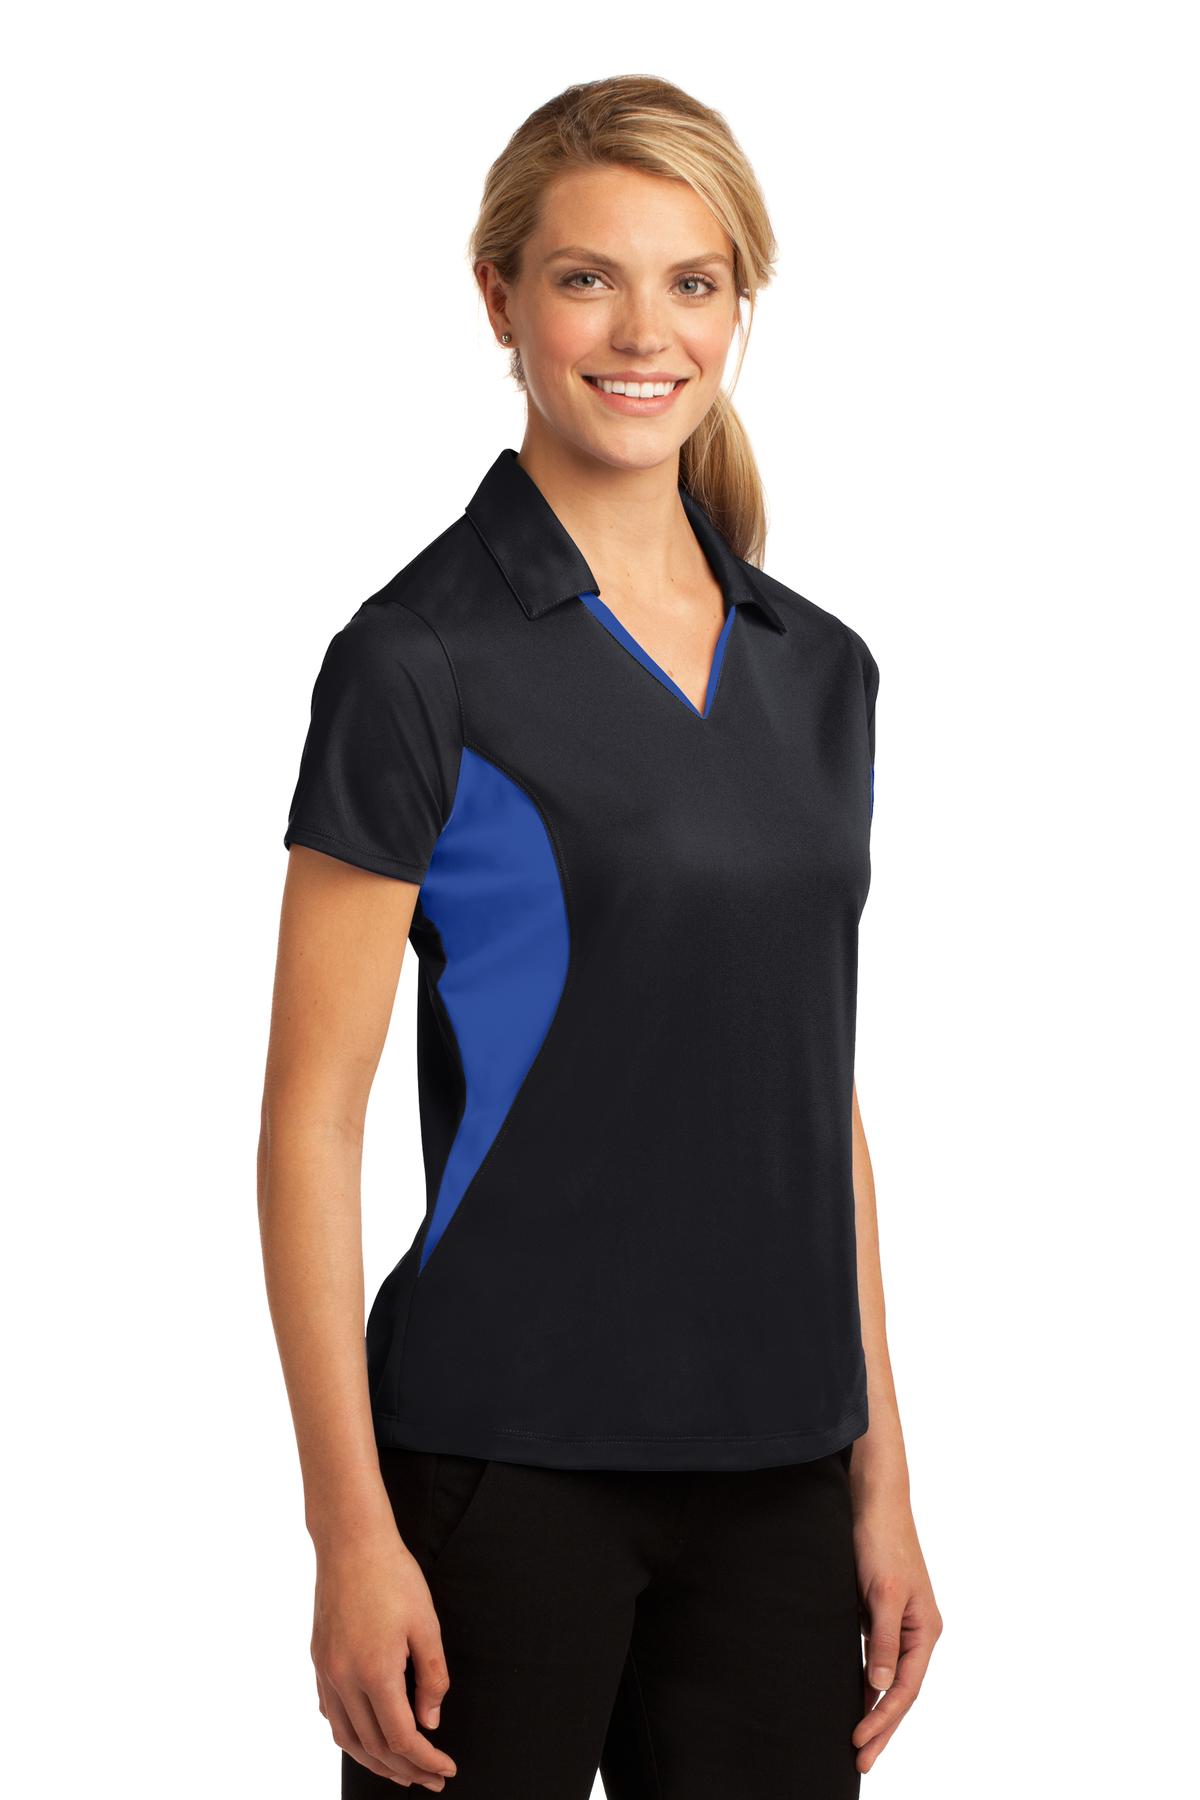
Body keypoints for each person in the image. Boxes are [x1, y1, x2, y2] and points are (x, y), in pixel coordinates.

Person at [259, 73, 942, 1799]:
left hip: (780, 1481)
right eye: (588, 278)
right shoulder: (417, 662)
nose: (646, 333)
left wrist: (881, 1478)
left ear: (738, 305)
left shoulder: (821, 673)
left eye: (692, 282)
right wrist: (350, 1531)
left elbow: (811, 1095)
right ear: (499, 299)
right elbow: (310, 1123)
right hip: (499, 1475)